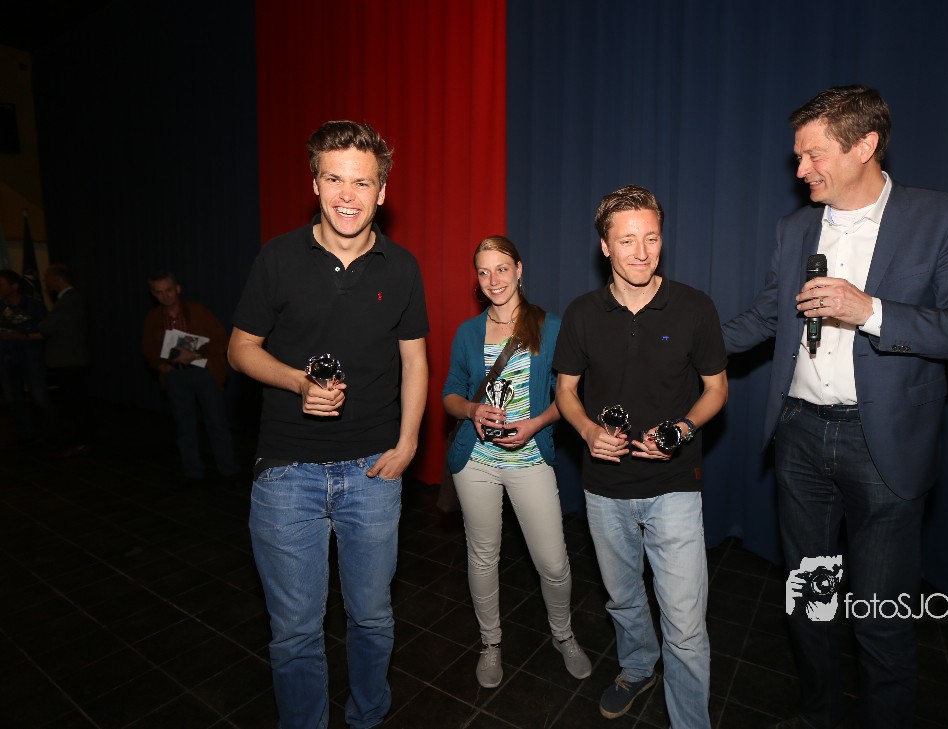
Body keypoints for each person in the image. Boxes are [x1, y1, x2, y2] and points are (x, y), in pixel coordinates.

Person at [721, 85, 948, 729]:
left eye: (813, 154)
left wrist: (869, 310)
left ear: (865, 145)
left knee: (881, 618)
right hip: (798, 437)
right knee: (810, 601)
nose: (800, 170)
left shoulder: (945, 217)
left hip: (884, 448)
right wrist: (681, 344)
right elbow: (766, 317)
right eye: (798, 156)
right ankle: (817, 715)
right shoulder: (795, 228)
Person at [228, 120, 429, 729]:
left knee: (372, 617)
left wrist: (409, 444)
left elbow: (415, 361)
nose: (348, 194)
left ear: (382, 192)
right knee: (294, 631)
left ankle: (368, 716)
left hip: (373, 471)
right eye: (335, 179)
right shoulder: (278, 257)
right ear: (314, 183)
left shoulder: (402, 267)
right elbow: (240, 349)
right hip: (287, 471)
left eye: (362, 183)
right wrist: (297, 382)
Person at [554, 185, 728, 728]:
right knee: (624, 600)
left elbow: (717, 389)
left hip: (674, 484)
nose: (641, 251)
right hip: (604, 488)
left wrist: (681, 428)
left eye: (651, 238)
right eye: (627, 240)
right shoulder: (582, 313)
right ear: (605, 246)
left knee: (685, 624)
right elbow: (565, 391)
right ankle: (636, 667)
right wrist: (587, 430)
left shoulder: (695, 306)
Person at [442, 235, 591, 689]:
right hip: (477, 461)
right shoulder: (468, 332)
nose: (493, 280)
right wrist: (472, 409)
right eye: (483, 272)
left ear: (520, 270)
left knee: (554, 563)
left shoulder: (551, 327)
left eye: (502, 269)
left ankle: (563, 634)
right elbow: (450, 395)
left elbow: (570, 397)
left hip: (530, 458)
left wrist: (536, 424)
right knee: (483, 556)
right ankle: (490, 643)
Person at [141, 272, 239, 484]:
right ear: (153, 294)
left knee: (217, 422)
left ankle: (228, 469)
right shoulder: (154, 318)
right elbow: (149, 348)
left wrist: (194, 354)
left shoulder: (197, 311)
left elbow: (221, 340)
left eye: (168, 290)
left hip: (203, 371)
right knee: (184, 426)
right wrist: (160, 364)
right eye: (159, 292)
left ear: (178, 289)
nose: (165, 296)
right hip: (175, 376)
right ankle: (193, 472)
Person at [39, 264, 92, 456]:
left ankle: (80, 440)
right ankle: (79, 439)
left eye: (47, 277)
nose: (45, 281)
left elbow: (46, 327)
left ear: (57, 279)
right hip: (70, 359)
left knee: (75, 403)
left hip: (69, 360)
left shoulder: (68, 300)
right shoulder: (70, 299)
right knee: (74, 402)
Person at [0, 269, 56, 447]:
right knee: (12, 399)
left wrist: (21, 336)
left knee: (39, 398)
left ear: (14, 286)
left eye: (1, 284)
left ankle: (50, 433)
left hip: (31, 357)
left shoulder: (34, 305)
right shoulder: (1, 307)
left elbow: (46, 331)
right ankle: (27, 433)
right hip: (6, 359)